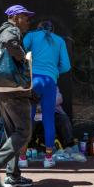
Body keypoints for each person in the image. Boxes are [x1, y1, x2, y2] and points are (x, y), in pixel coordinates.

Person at [0, 5, 35, 187]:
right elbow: (11, 43)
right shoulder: (11, 30)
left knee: (13, 133)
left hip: (2, 91)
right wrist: (22, 58)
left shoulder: (1, 32)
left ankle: (13, 176)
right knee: (24, 132)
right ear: (16, 17)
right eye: (26, 18)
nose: (28, 21)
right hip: (14, 92)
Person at [21, 20, 71, 168]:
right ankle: (48, 158)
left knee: (27, 120)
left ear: (39, 29)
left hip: (33, 80)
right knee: (49, 120)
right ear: (52, 30)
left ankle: (23, 158)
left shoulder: (31, 36)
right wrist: (53, 72)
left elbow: (19, 53)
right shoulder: (60, 40)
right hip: (50, 82)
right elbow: (66, 66)